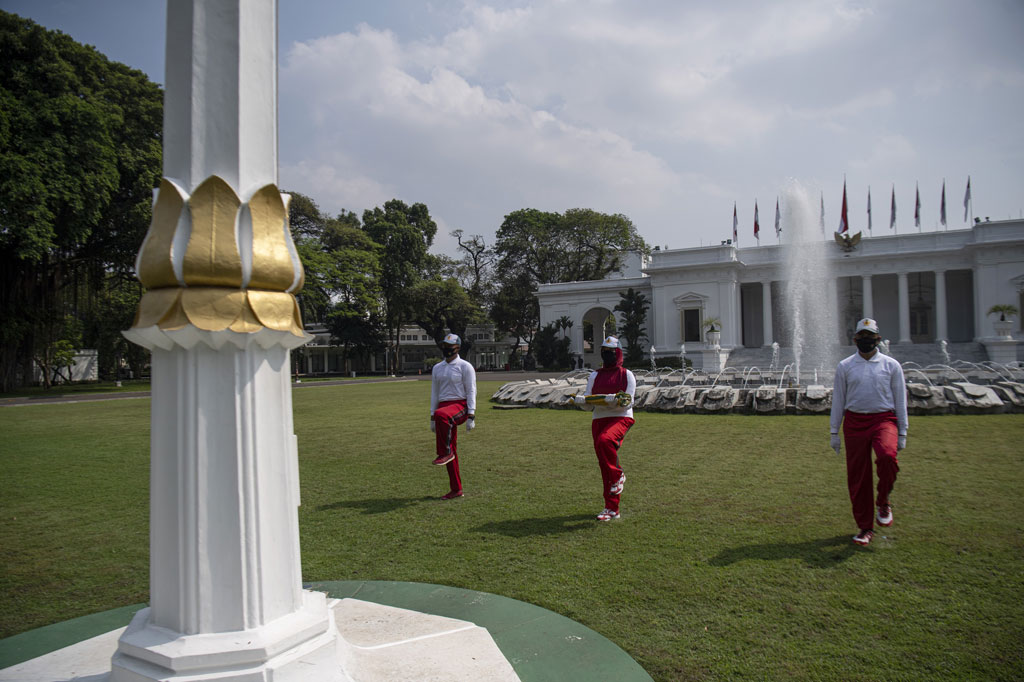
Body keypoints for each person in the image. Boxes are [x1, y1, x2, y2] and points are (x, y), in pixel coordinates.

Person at [829, 318, 908, 546]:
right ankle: (865, 528)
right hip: (854, 421)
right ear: (854, 340)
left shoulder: (891, 365)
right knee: (858, 477)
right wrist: (834, 431)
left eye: (870, 337)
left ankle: (883, 501)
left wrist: (903, 431)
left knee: (887, 457)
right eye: (862, 337)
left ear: (878, 339)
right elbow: (839, 400)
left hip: (884, 419)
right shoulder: (845, 366)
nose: (866, 341)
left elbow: (900, 400)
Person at [573, 336, 637, 521]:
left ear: (618, 353)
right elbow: (589, 402)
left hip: (620, 418)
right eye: (604, 352)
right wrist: (581, 401)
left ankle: (618, 475)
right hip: (599, 419)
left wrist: (613, 400)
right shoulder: (595, 375)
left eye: (610, 352)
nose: (606, 355)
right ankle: (611, 508)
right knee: (604, 464)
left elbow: (628, 402)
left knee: (605, 441)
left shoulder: (626, 374)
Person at [430, 333, 477, 500]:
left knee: (442, 416)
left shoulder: (465, 366)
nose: (446, 350)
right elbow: (435, 393)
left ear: (457, 348)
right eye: (444, 346)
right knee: (452, 451)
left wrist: (471, 414)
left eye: (450, 347)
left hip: (460, 405)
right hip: (443, 409)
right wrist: (432, 417)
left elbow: (471, 389)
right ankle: (456, 488)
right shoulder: (437, 368)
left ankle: (445, 452)